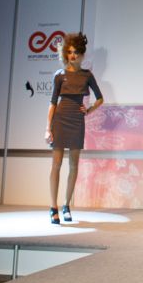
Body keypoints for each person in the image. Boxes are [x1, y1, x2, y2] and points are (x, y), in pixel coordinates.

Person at [46, 32, 103, 224]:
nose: (72, 55)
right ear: (65, 53)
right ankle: (53, 207)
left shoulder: (87, 75)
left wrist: (89, 110)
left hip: (77, 122)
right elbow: (52, 103)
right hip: (60, 120)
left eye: (76, 52)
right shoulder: (59, 76)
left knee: (73, 165)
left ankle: (66, 205)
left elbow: (100, 98)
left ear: (82, 54)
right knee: (56, 164)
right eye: (69, 52)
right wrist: (47, 128)